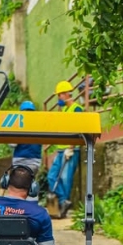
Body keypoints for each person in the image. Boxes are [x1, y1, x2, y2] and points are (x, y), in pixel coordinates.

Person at [46, 80, 83, 219]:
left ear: (67, 94)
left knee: (66, 179)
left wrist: (71, 147)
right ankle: (63, 201)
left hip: (70, 150)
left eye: (60, 95)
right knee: (52, 176)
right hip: (61, 150)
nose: (58, 98)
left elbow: (79, 129)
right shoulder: (65, 110)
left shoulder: (76, 109)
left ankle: (64, 206)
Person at [10, 100, 42, 174]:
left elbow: (12, 144)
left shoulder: (18, 126)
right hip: (35, 161)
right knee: (29, 179)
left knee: (18, 179)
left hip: (19, 160)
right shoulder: (38, 126)